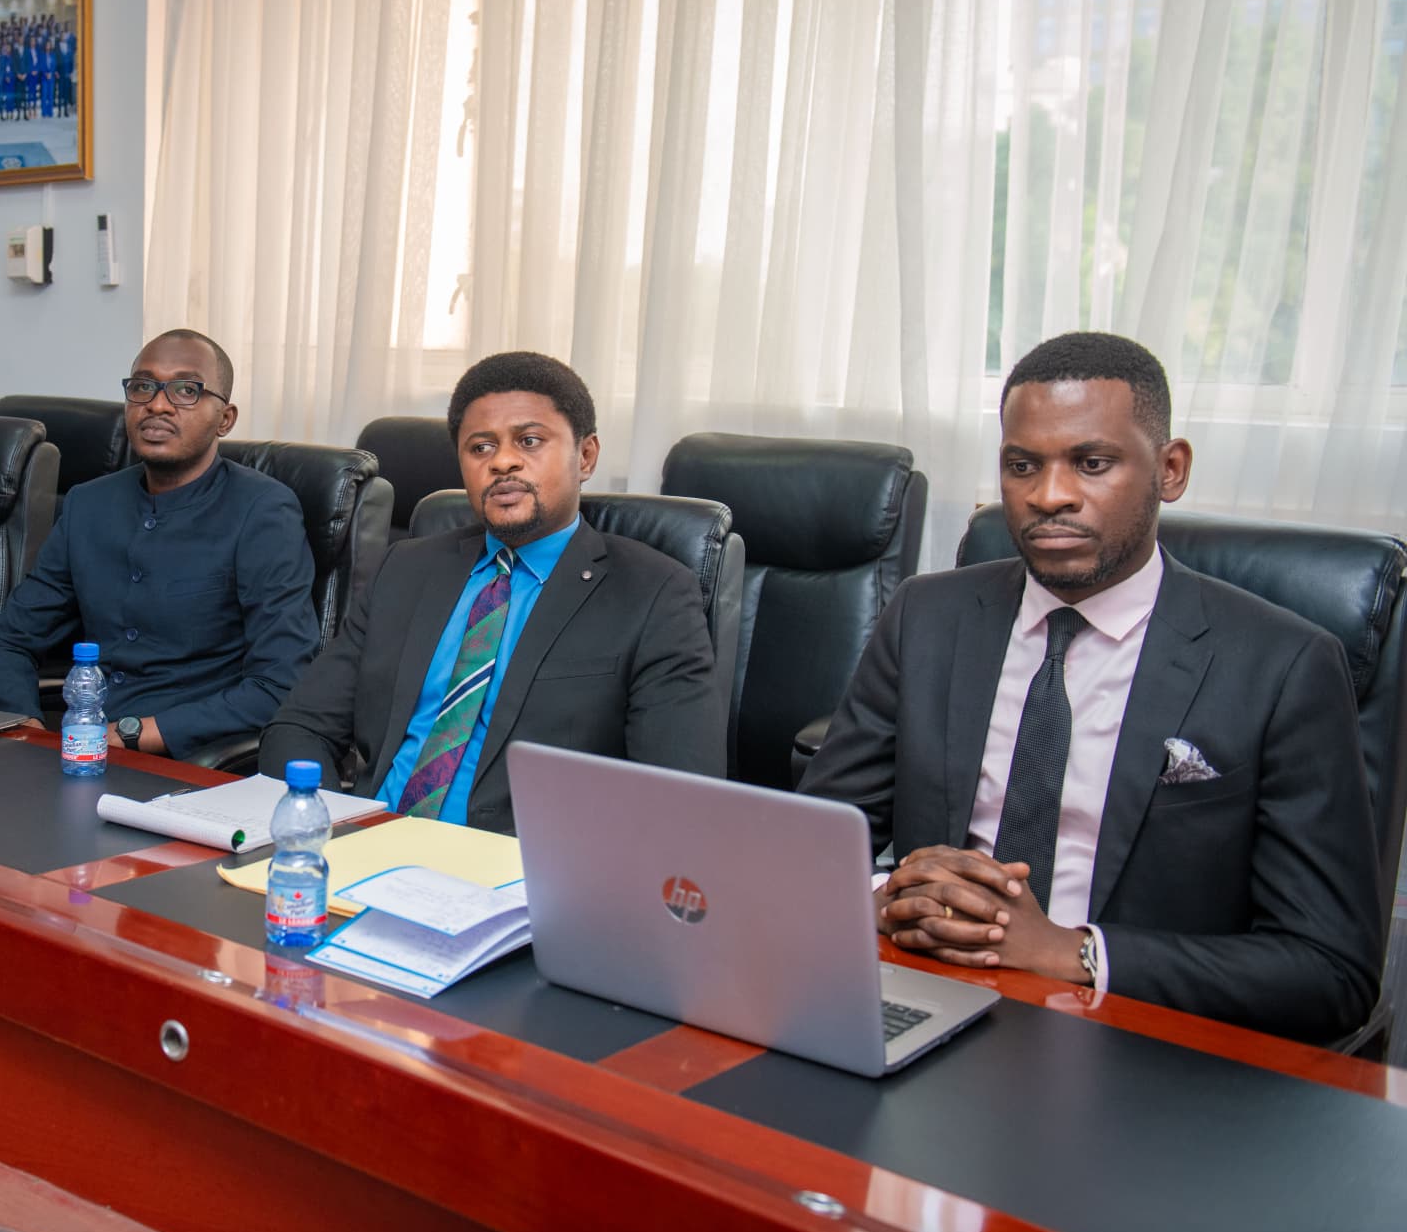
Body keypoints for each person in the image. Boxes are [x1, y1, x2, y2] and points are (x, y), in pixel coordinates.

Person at [801, 331, 1381, 1045]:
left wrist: (1072, 952)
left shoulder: (1284, 667)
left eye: (1091, 463)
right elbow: (813, 847)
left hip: (1138, 1046)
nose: (1050, 496)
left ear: (1170, 470)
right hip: (929, 1004)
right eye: (1022, 466)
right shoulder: (927, 617)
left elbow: (1331, 971)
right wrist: (893, 899)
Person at [261, 352, 724, 834]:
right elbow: (301, 726)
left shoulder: (654, 593)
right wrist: (324, 828)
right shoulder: (408, 570)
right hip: (364, 848)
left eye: (529, 440)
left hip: (520, 879)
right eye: (480, 447)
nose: (502, 461)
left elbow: (680, 797)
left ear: (585, 456)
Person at [0, 329, 319, 762]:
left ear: (224, 419)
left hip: (194, 758)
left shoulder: (262, 512)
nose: (157, 403)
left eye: (186, 390)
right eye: (142, 386)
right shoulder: (89, 504)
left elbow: (280, 683)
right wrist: (25, 726)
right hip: (79, 747)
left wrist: (139, 733)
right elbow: (8, 642)